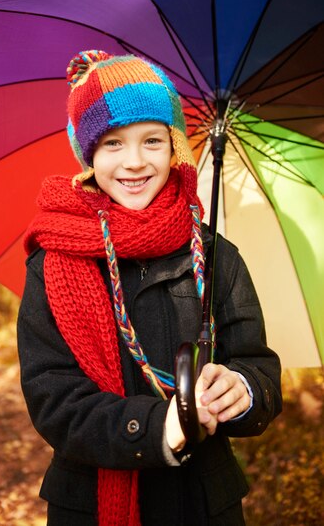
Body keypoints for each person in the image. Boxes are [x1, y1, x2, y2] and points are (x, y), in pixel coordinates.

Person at [17, 50, 282, 526]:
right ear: (88, 154)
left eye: (152, 140)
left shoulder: (216, 255)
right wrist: (158, 427)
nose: (134, 161)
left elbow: (258, 364)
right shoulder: (53, 261)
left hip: (202, 501)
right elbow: (53, 399)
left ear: (174, 145)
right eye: (113, 143)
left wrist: (243, 389)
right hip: (89, 504)